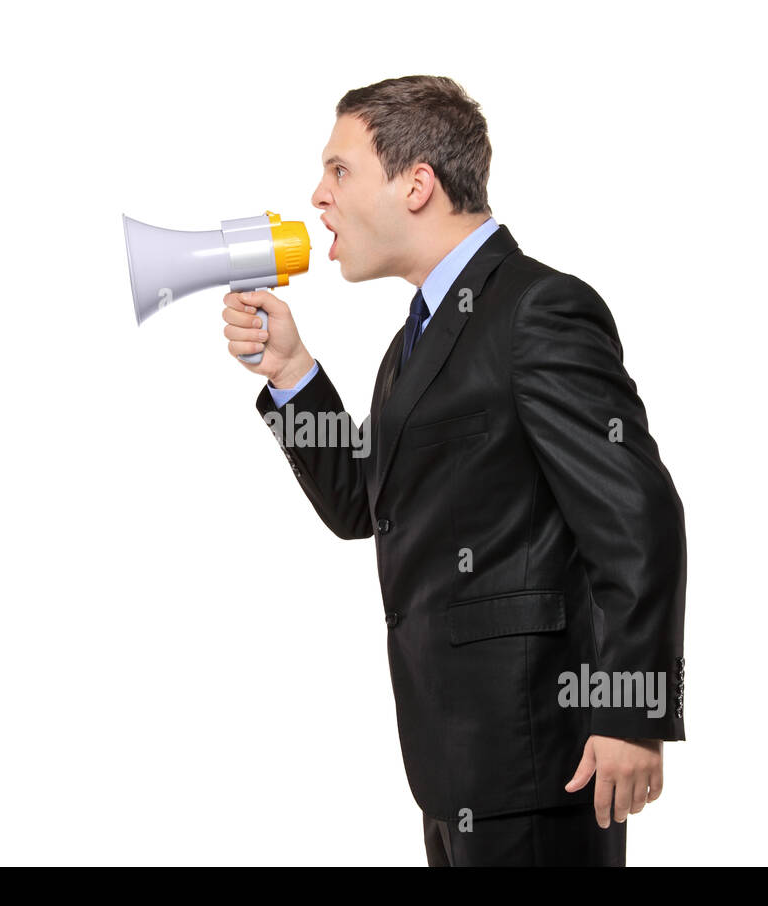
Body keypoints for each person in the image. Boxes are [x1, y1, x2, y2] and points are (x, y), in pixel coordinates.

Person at [221, 76, 686, 866]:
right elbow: (361, 504)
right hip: (454, 765)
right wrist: (293, 371)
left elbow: (638, 515)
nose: (318, 196)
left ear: (417, 184)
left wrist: (630, 712)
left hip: (542, 761)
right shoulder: (415, 342)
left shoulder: (537, 310)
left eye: (340, 170)